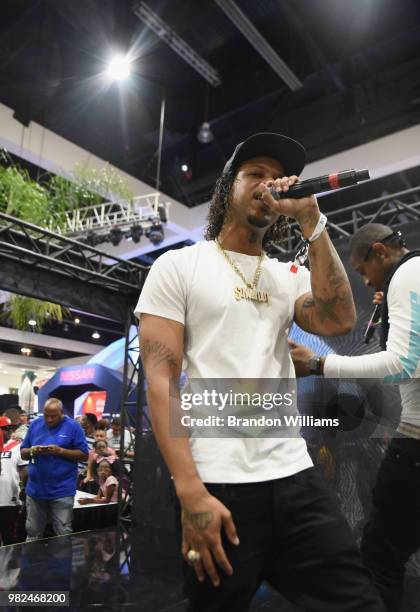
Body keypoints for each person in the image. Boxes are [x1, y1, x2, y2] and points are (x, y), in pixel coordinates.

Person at [136, 132, 384, 611]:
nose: (269, 184)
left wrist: (312, 221)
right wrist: (189, 491)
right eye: (255, 175)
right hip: (216, 484)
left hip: (293, 476)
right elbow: (161, 381)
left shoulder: (285, 277)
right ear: (228, 185)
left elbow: (340, 319)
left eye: (277, 178)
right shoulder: (178, 267)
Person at [290, 222, 420, 612]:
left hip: (416, 442)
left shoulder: (407, 274)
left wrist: (318, 363)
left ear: (380, 252)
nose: (363, 282)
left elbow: (403, 362)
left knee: (380, 554)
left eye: (363, 271)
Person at [20, 398, 88, 540]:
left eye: (53, 416)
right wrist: (33, 450)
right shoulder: (35, 425)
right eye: (46, 415)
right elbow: (23, 453)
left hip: (62, 491)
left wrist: (60, 451)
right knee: (33, 534)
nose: (49, 419)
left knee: (62, 535)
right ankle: (33, 562)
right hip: (35, 490)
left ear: (61, 413)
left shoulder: (74, 427)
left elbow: (84, 455)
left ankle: (62, 563)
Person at [0, 416, 27, 545]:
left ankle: (11, 565)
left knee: (9, 538)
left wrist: (23, 492)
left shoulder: (17, 446)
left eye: (10, 428)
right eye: (4, 428)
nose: (8, 431)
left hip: (9, 500)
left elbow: (24, 471)